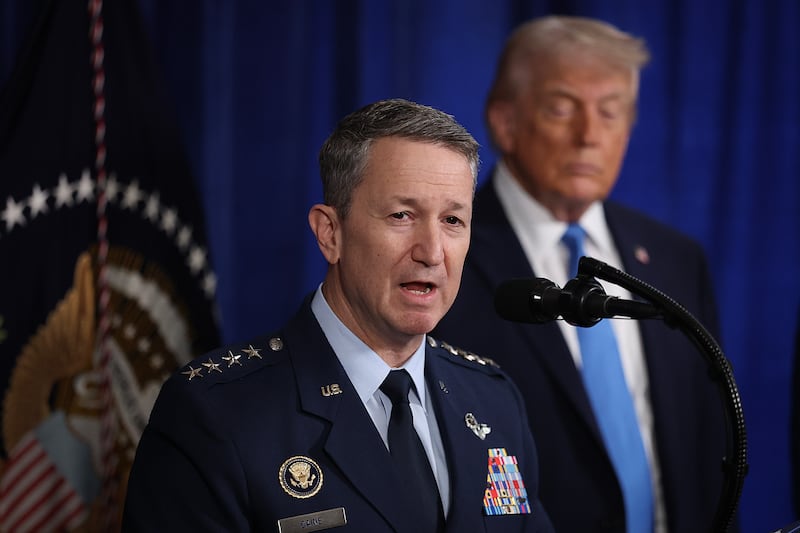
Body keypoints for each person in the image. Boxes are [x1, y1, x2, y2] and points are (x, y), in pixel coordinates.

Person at [123, 98, 554, 532]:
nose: (432, 252)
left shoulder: (493, 400)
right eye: (401, 215)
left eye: (453, 221)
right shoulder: (215, 413)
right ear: (331, 234)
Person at [433, 16, 729, 533]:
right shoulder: (445, 254)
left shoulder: (675, 259)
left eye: (610, 112)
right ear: (504, 121)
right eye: (561, 109)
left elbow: (709, 443)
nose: (589, 135)